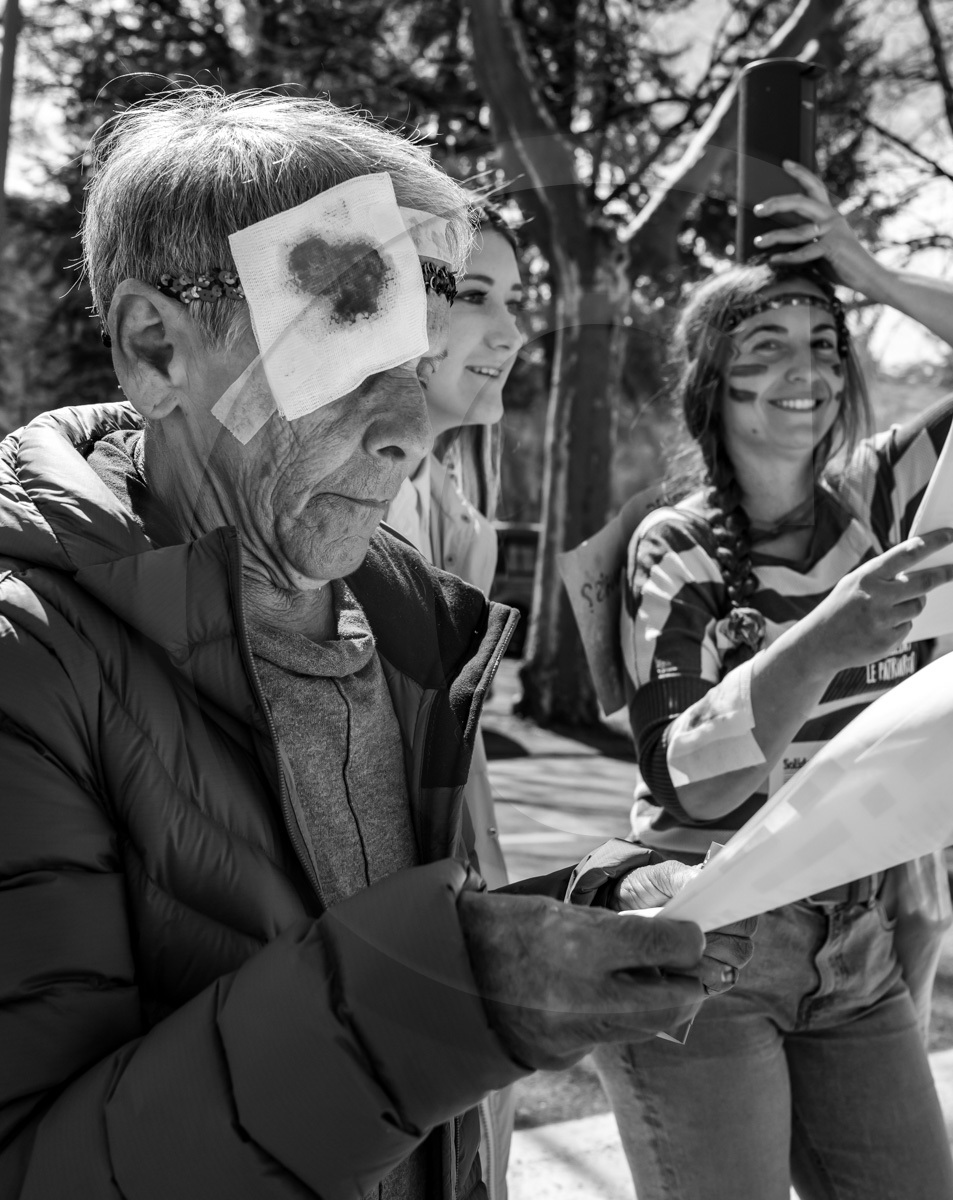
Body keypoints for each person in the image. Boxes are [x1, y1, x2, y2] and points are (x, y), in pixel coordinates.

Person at [0, 89, 756, 1200]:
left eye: (419, 363)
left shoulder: (406, 621)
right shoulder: (26, 666)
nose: (408, 427)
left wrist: (561, 922)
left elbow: (351, 941)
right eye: (347, 352)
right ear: (155, 347)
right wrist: (451, 998)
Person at [592, 160, 953, 1200]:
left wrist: (869, 269)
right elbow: (693, 786)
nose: (804, 370)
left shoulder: (882, 498)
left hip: (855, 943)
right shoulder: (672, 547)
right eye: (764, 347)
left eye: (823, 344)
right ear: (710, 386)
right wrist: (826, 637)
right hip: (705, 942)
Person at [384, 203, 525, 1197]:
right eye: (475, 296)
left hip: (456, 856)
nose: (512, 335)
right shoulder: (345, 501)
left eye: (514, 303)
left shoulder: (447, 487)